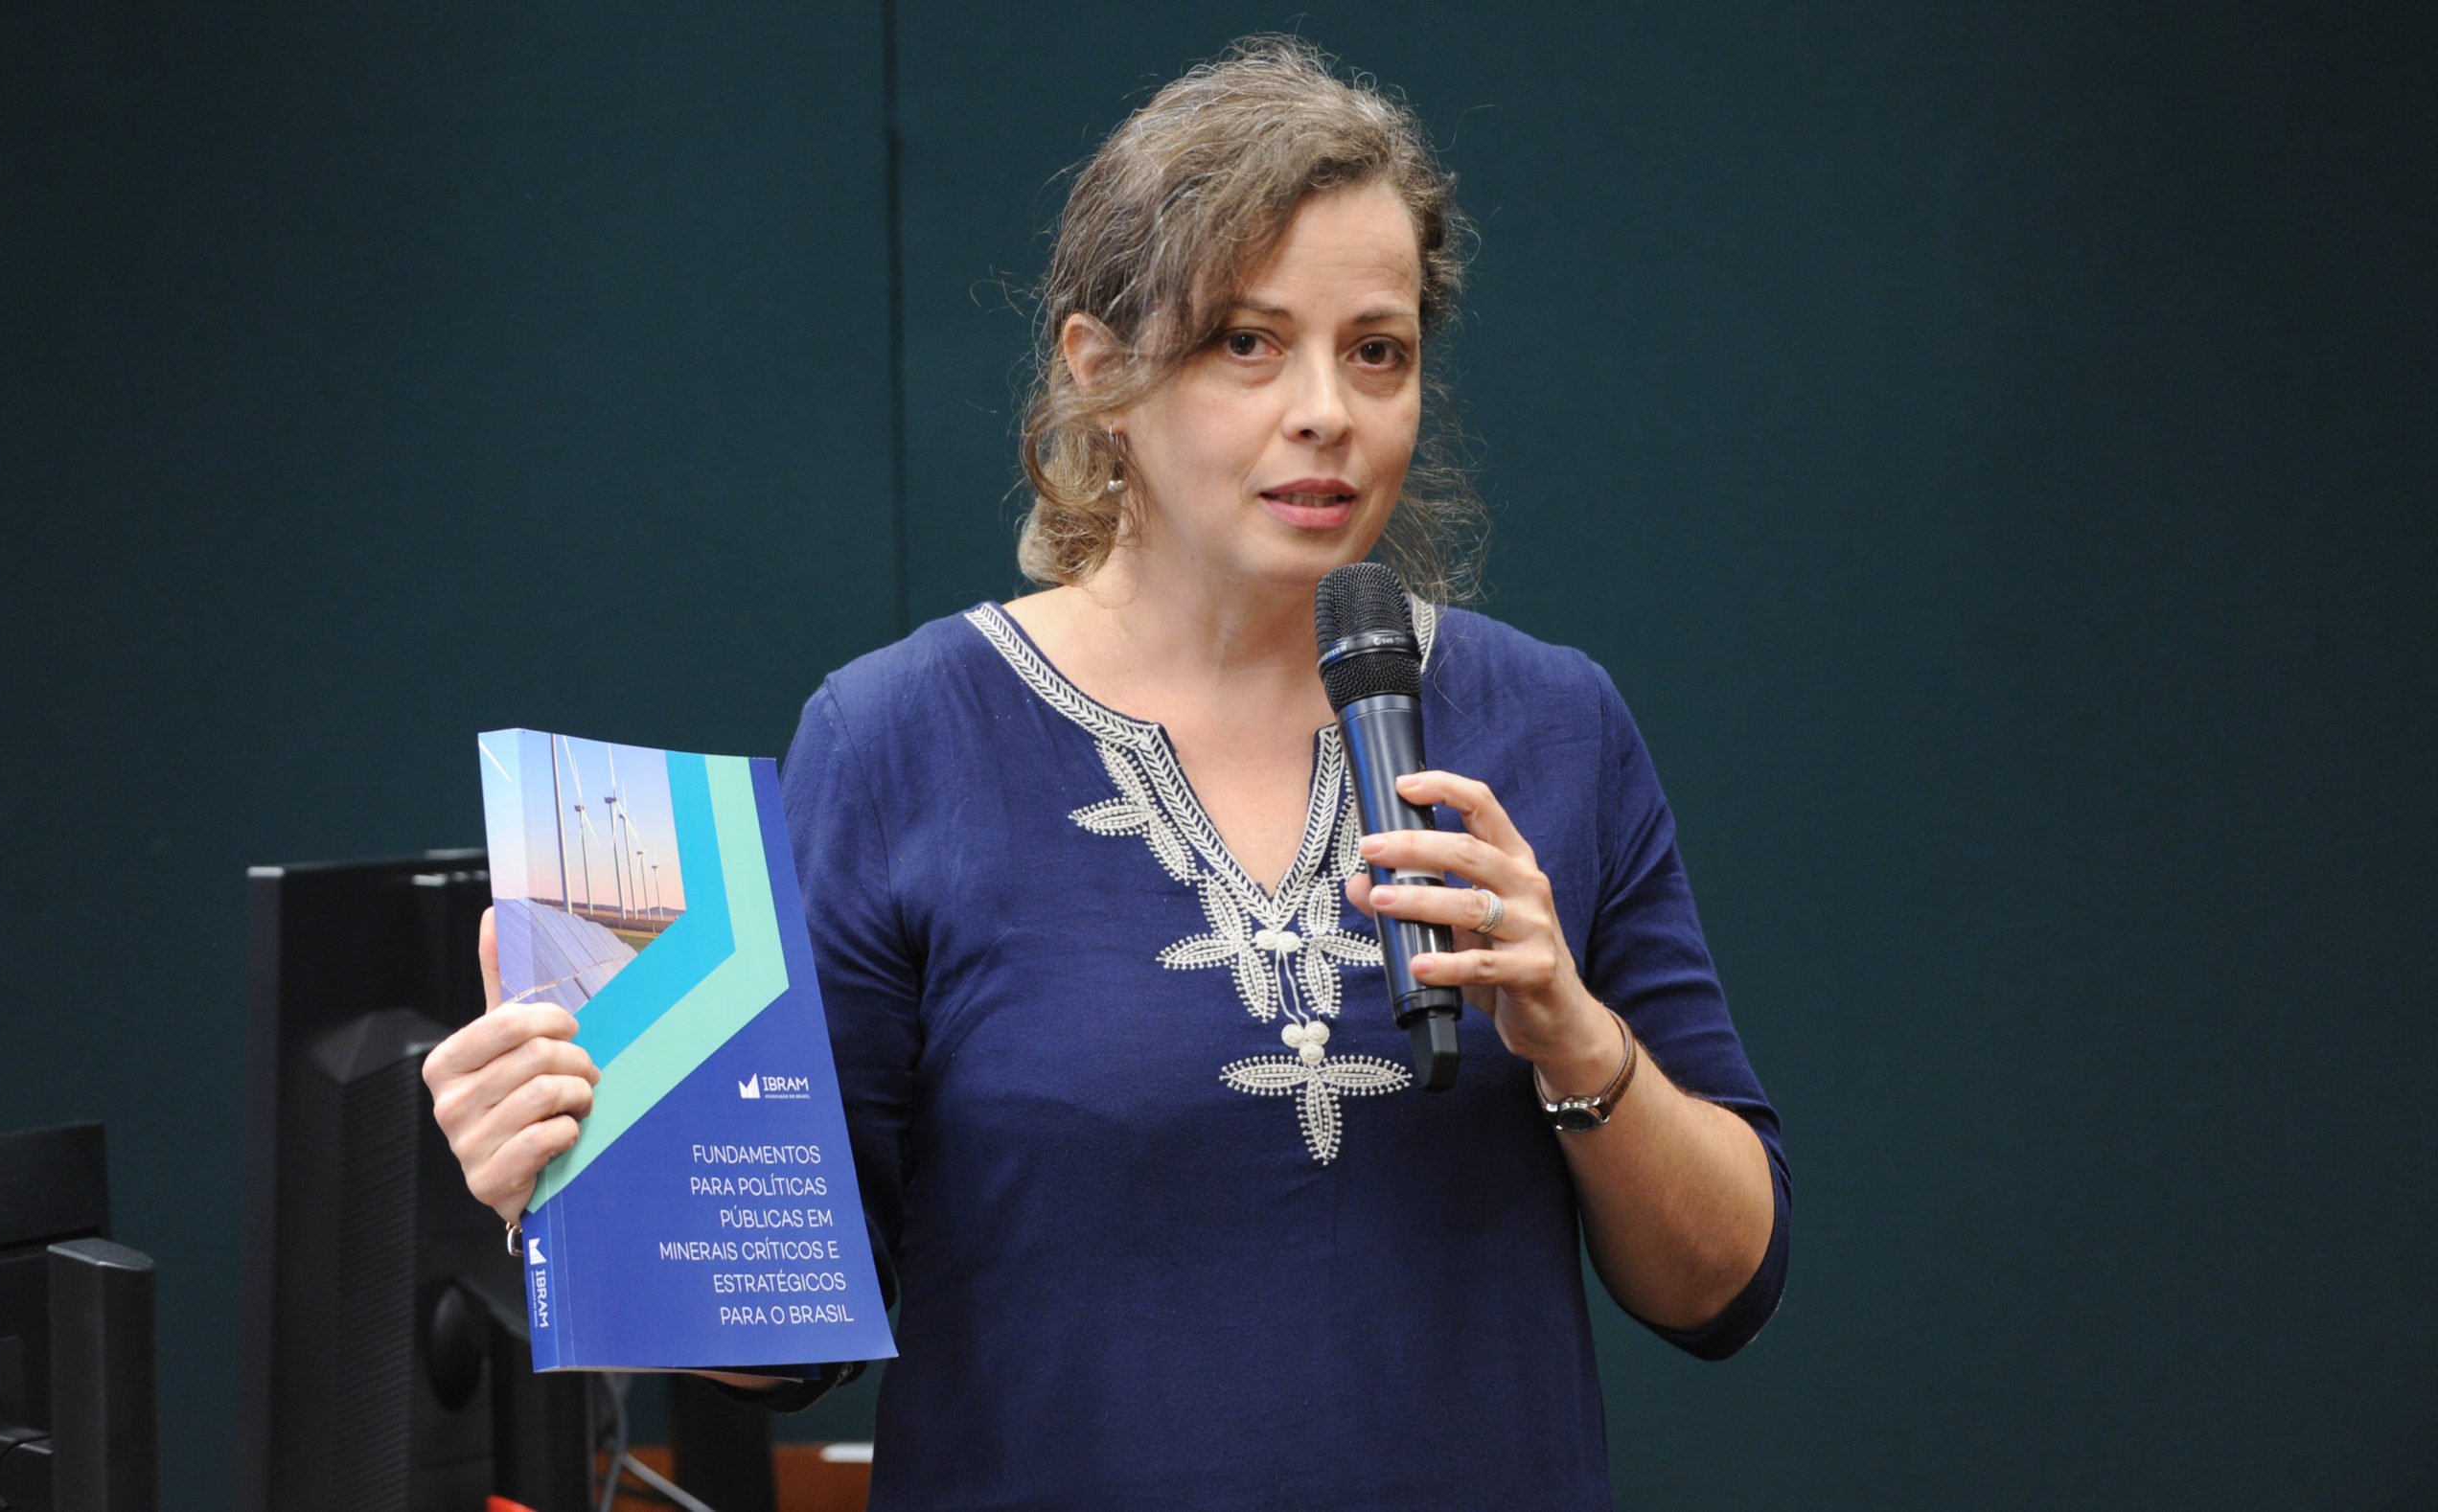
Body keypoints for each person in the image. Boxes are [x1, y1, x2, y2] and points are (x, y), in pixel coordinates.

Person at [424, 35, 1788, 1510]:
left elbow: (1727, 1282)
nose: (1324, 406)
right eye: (1244, 342)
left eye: (1375, 350)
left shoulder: (1554, 725)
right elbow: (788, 1327)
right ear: (1102, 374)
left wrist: (1582, 1044)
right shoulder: (899, 742)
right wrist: (580, 1184)